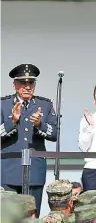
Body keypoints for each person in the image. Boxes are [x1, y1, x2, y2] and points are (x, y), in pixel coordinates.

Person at [1, 64, 58, 214]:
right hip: (9, 171)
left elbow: (54, 135)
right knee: (9, 220)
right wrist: (12, 121)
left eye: (31, 83)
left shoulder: (44, 105)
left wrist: (40, 125)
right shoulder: (4, 104)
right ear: (14, 85)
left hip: (34, 171)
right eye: (23, 83)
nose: (27, 87)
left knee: (32, 219)